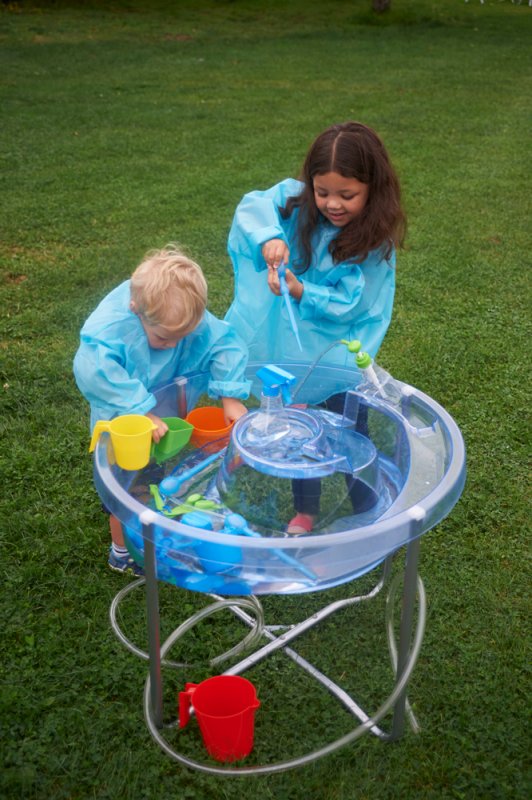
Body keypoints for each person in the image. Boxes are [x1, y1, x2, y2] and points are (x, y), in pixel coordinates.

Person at [225, 121, 406, 534]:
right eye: (322, 192)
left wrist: (301, 289)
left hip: (336, 353)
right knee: (299, 428)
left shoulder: (374, 242)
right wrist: (270, 238)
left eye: (347, 195)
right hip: (289, 346)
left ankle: (367, 504)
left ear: (373, 189)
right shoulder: (295, 202)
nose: (332, 204)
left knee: (349, 428)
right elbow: (254, 206)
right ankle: (305, 510)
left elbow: (352, 303)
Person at [74, 245, 251, 573]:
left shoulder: (178, 316)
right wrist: (139, 410)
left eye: (182, 337)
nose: (172, 345)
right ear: (136, 309)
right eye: (163, 338)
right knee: (124, 493)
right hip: (123, 428)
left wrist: (230, 395)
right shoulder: (112, 329)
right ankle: (121, 552)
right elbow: (94, 370)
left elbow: (224, 343)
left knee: (152, 481)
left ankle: (149, 530)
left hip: (163, 416)